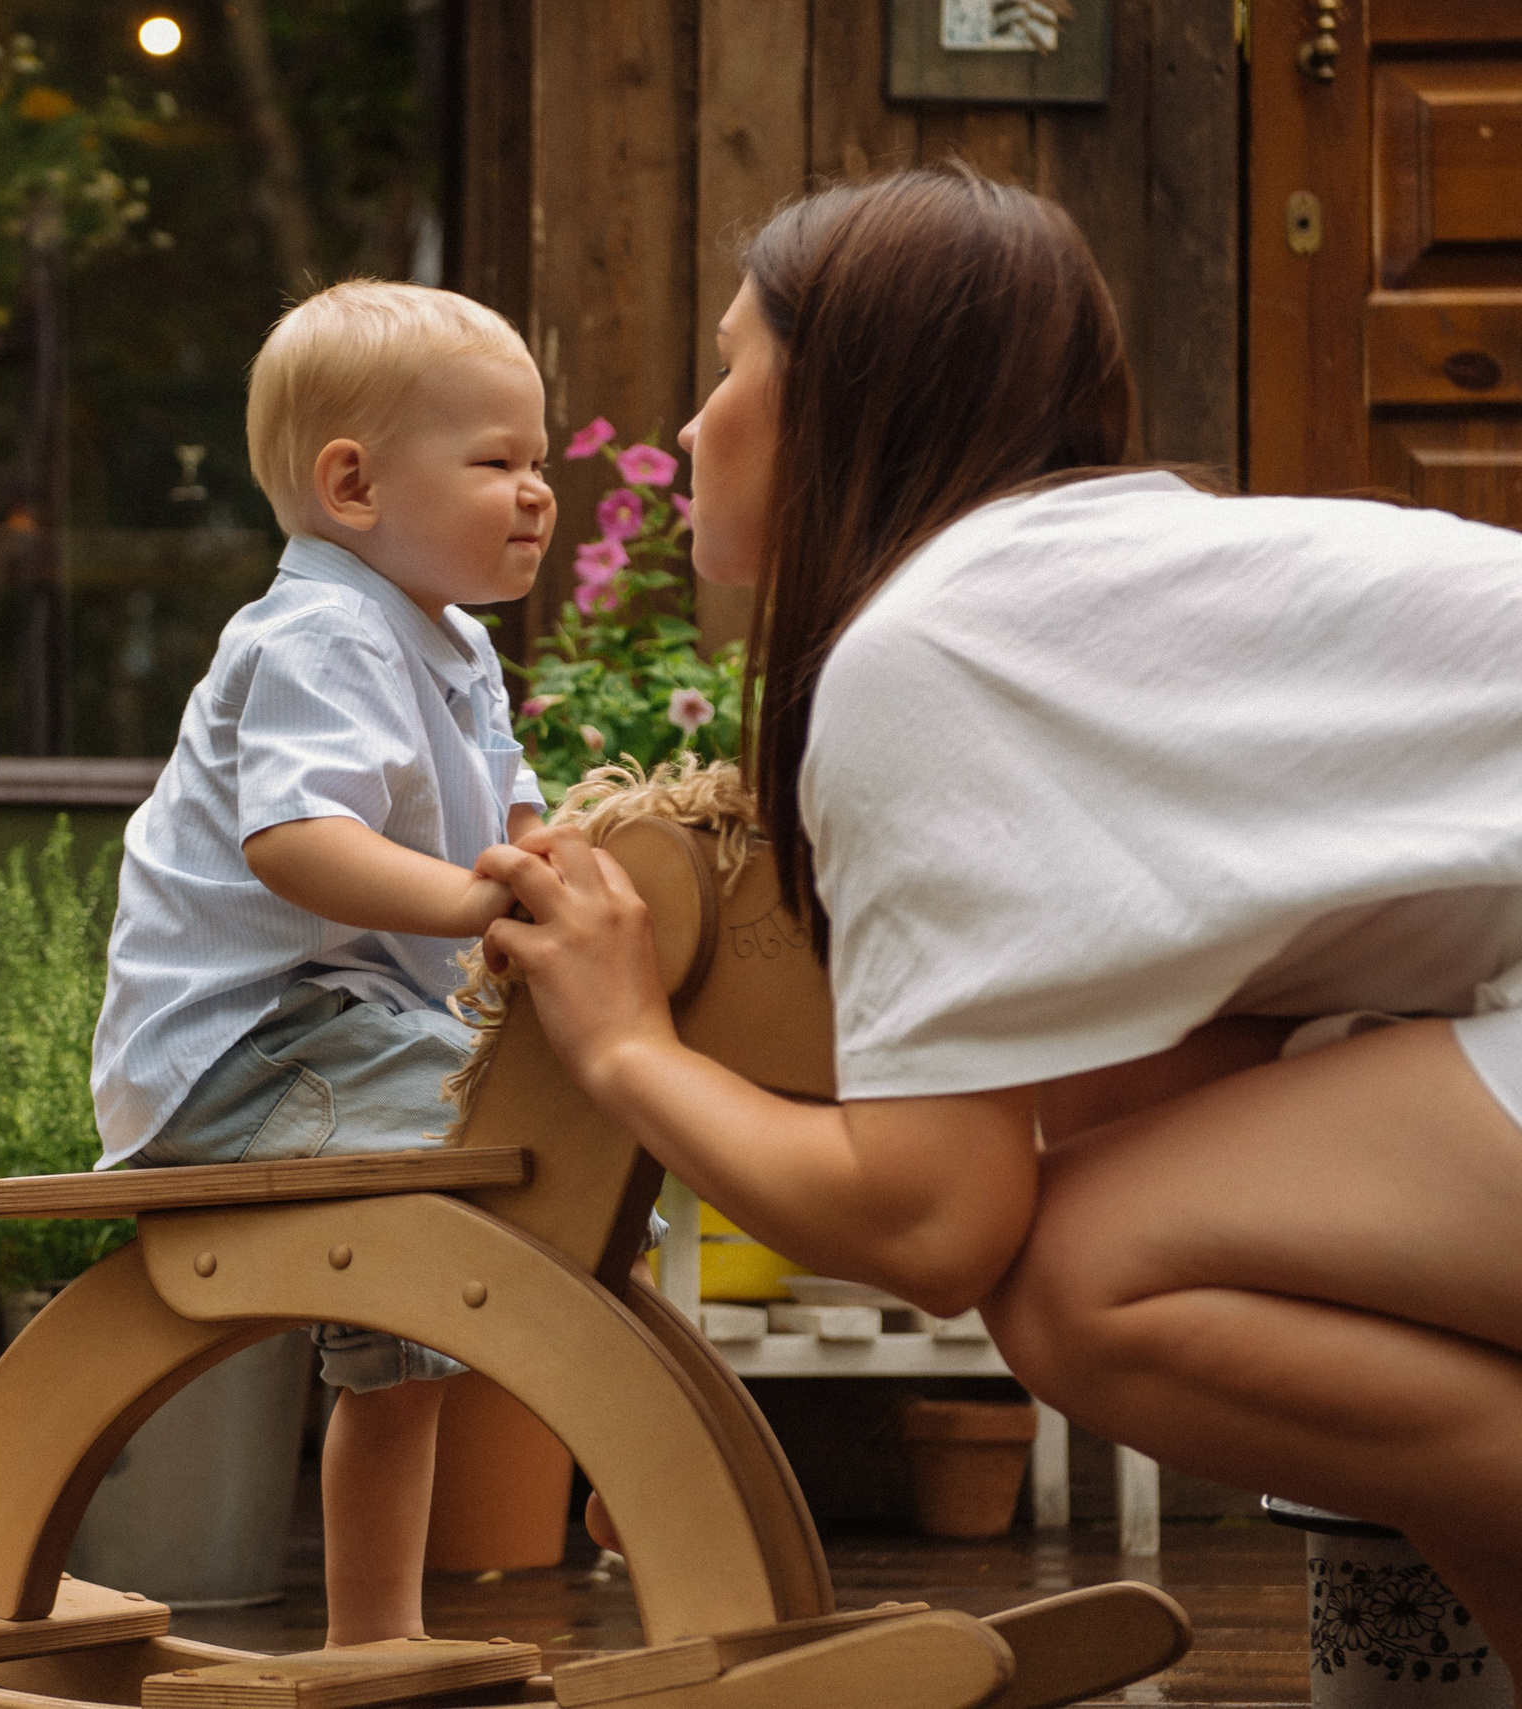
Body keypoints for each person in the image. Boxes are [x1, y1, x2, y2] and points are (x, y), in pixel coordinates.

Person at [478, 166, 1522, 1658]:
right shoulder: (1087, 589)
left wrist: (629, 1049)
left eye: (729, 366)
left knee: (1084, 1279)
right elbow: (1123, 1094)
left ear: (843, 397)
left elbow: (935, 1220)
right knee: (1133, 1158)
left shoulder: (930, 651)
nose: (692, 425)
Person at [89, 279, 552, 1645]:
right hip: (242, 1050)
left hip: (345, 1037)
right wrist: (488, 905)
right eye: (498, 462)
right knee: (519, 1123)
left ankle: (375, 1639)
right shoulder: (318, 635)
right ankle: (616, 1404)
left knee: (402, 1360)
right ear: (352, 483)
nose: (536, 494)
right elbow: (299, 841)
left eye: (543, 463)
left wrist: (563, 866)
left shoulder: (454, 641)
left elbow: (518, 810)